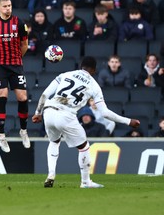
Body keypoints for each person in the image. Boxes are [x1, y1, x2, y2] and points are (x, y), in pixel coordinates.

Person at [32, 56, 140, 188]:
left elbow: (44, 95)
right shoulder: (94, 85)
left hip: (48, 111)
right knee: (83, 147)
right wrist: (128, 121)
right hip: (66, 114)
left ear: (81, 66)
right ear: (94, 71)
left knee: (54, 142)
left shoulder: (65, 74)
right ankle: (85, 182)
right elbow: (104, 113)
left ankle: (51, 174)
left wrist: (38, 113)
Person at [0, 0, 31, 152]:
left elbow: (25, 45)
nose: (8, 8)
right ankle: (1, 135)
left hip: (16, 65)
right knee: (2, 96)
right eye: (5, 6)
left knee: (22, 97)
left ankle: (23, 130)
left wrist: (16, 57)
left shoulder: (20, 23)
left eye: (9, 6)